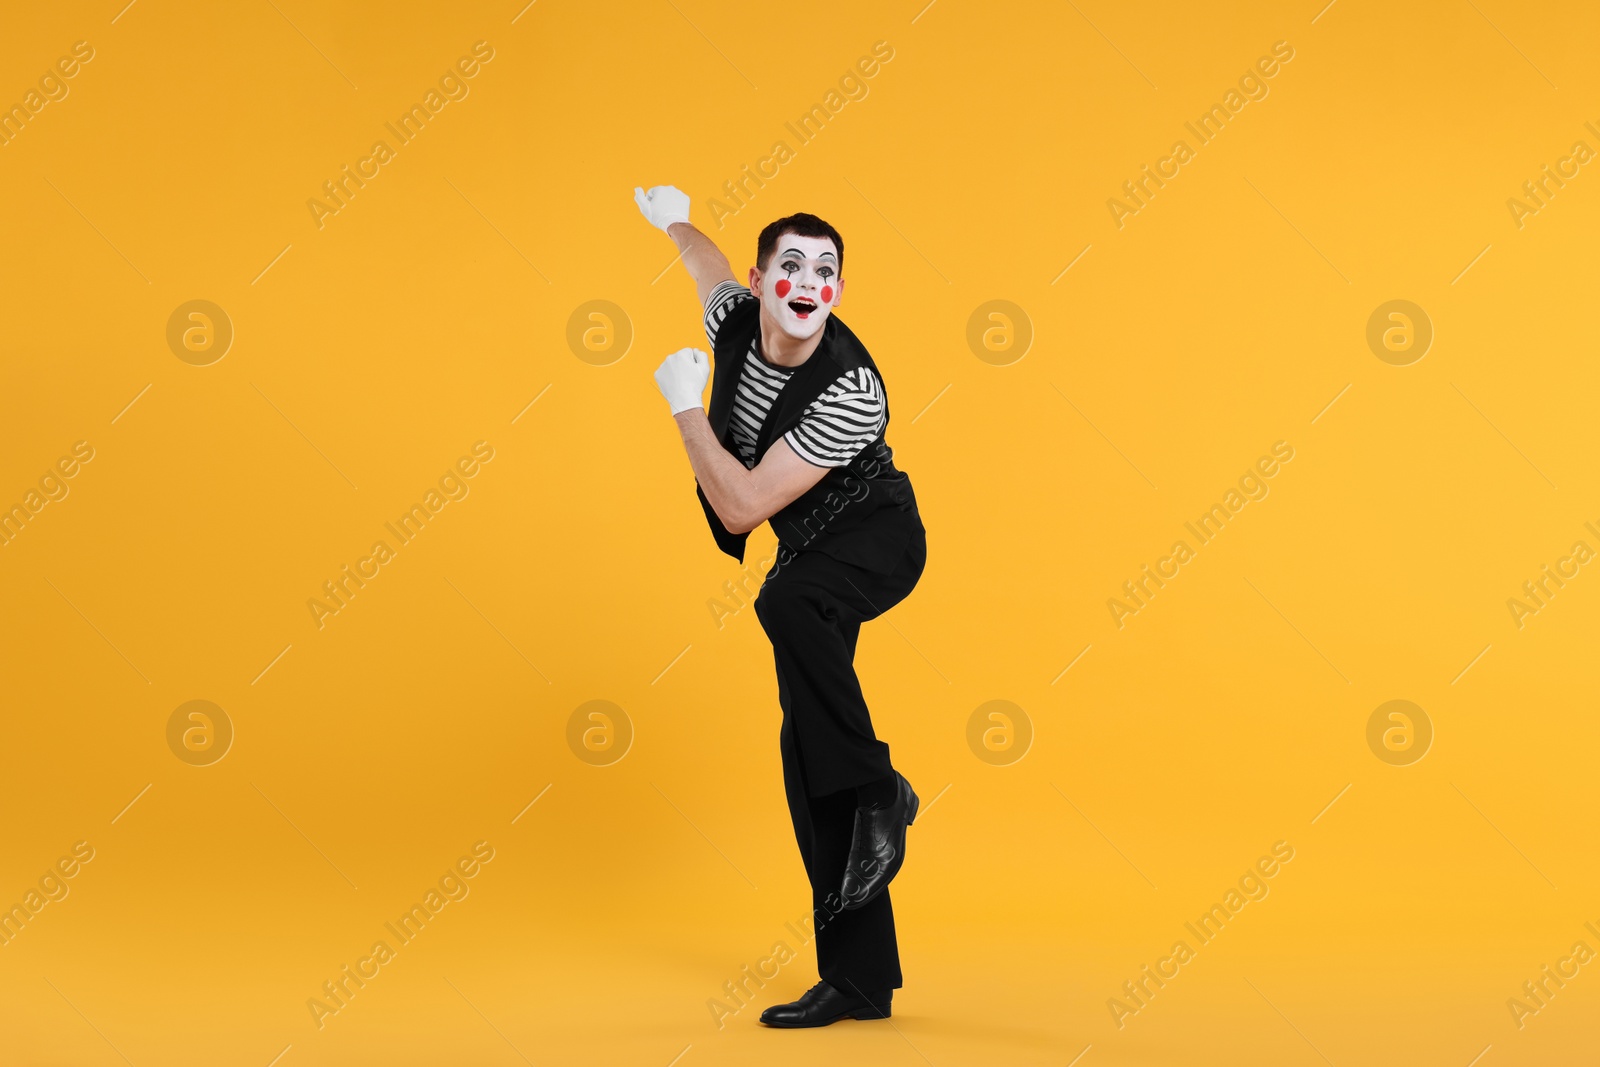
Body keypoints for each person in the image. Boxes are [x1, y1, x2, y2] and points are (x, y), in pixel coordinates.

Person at [635, 184, 930, 1028]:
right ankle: (860, 976)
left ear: (836, 292)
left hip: (876, 536)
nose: (808, 282)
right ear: (764, 283)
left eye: (826, 270)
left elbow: (739, 508)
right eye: (791, 265)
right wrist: (673, 219)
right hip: (813, 548)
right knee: (806, 754)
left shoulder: (852, 391)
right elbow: (705, 262)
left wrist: (683, 407)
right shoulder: (733, 317)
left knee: (789, 598)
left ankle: (882, 787)